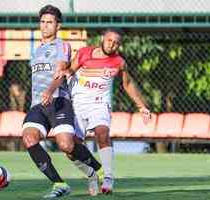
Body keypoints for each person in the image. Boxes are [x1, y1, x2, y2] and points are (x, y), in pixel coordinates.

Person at [56, 28, 152, 195]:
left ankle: (108, 177)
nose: (112, 45)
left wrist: (141, 106)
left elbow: (127, 84)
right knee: (70, 149)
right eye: (110, 40)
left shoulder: (119, 62)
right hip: (77, 105)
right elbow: (68, 71)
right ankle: (91, 174)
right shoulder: (85, 53)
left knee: (102, 133)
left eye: (116, 43)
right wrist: (64, 72)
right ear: (103, 39)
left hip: (99, 104)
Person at [21, 5, 103, 199]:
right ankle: (59, 183)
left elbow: (60, 74)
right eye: (42, 22)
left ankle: (98, 172)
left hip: (58, 100)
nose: (45, 26)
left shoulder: (61, 45)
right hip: (38, 105)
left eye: (49, 22)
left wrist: (50, 91)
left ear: (58, 25)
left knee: (66, 145)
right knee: (28, 138)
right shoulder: (36, 50)